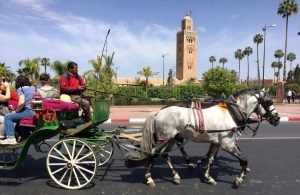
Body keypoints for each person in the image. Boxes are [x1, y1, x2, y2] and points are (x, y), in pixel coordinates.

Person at [0, 75, 36, 145]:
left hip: (29, 111)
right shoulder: (33, 88)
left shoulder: (21, 89)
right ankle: (24, 136)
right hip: (35, 111)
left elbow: (22, 102)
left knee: (8, 117)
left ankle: (10, 138)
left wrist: (16, 111)